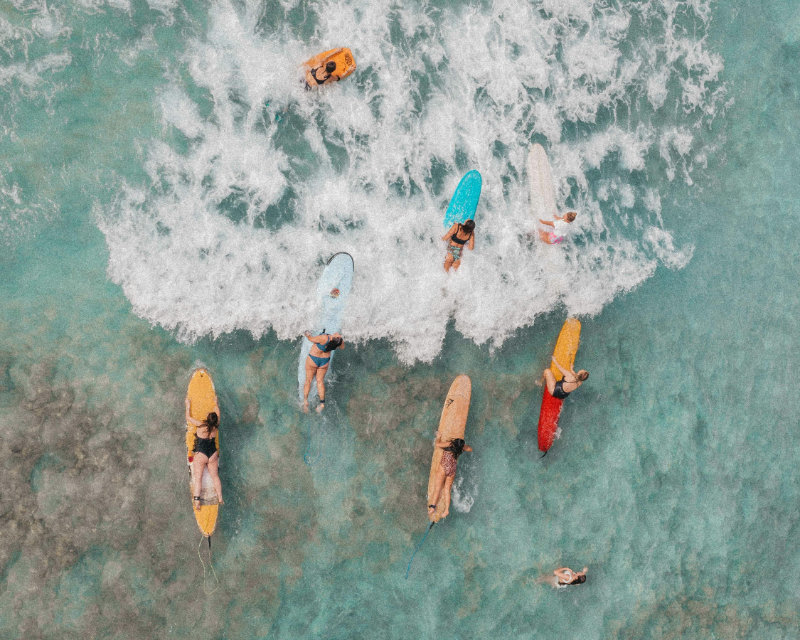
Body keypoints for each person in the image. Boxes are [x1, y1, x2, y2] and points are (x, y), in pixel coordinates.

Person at [185, 398, 223, 510]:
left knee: (199, 478)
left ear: (207, 419)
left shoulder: (201, 425)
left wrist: (188, 405)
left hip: (201, 455)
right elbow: (218, 413)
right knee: (215, 477)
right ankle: (220, 498)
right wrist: (216, 403)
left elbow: (188, 418)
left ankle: (197, 501)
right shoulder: (216, 426)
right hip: (212, 454)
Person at [427, 433, 473, 518]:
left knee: (438, 488)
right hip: (452, 469)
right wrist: (463, 446)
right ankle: (446, 510)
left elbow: (437, 444)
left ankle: (433, 507)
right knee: (447, 489)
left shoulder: (449, 444)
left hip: (444, 467)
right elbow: (470, 449)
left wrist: (438, 437)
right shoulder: (461, 448)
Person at [302, 331, 345, 413]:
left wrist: (306, 333)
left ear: (335, 338)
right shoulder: (338, 342)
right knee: (320, 381)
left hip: (313, 359)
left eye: (338, 335)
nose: (338, 334)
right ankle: (322, 404)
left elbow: (311, 339)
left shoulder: (324, 338)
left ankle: (305, 402)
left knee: (308, 381)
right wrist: (341, 341)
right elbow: (342, 347)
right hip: (324, 362)